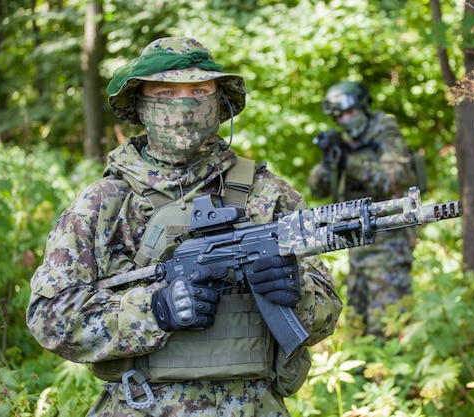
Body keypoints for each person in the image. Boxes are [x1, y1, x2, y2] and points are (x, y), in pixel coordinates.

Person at [26, 37, 342, 416]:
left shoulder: (267, 194)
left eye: (198, 90)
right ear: (141, 105)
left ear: (219, 102)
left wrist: (295, 292)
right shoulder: (104, 203)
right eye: (166, 92)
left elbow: (326, 312)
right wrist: (154, 311)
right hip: (141, 406)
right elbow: (50, 319)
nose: (184, 104)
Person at [308, 81, 417, 337]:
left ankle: (393, 374)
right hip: (357, 243)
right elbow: (317, 189)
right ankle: (365, 373)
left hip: (390, 240)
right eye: (340, 116)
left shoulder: (384, 132)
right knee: (358, 322)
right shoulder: (345, 141)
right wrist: (329, 162)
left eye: (350, 112)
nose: (346, 119)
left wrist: (349, 161)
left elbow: (391, 179)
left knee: (389, 323)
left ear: (363, 107)